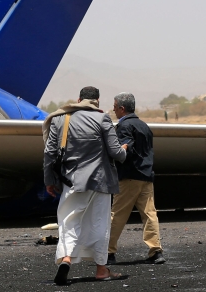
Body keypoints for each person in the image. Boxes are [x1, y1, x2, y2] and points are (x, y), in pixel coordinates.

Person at [43, 86, 128, 285]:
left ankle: (66, 259)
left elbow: (49, 153)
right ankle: (101, 270)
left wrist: (49, 180)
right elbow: (116, 153)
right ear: (97, 101)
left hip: (71, 181)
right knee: (99, 223)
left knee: (69, 221)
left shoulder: (60, 118)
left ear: (78, 99)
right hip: (100, 181)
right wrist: (124, 150)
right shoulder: (102, 118)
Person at [107, 92, 164, 264]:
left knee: (117, 215)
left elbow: (124, 151)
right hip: (146, 176)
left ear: (122, 109)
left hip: (129, 177)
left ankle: (107, 252)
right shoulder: (144, 126)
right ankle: (156, 251)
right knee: (149, 214)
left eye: (115, 107)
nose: (114, 110)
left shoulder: (124, 127)